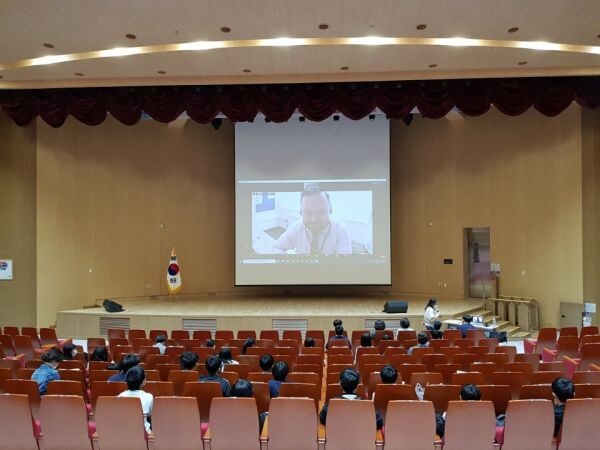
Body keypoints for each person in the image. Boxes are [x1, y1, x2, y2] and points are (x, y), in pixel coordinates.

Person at [273, 191, 352, 255]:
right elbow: (276, 248)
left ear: (330, 210)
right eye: (307, 212)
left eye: (321, 212)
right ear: (301, 212)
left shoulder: (341, 230)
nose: (314, 219)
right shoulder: (295, 228)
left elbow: (345, 265)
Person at [118, 366, 153, 433]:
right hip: (144, 433)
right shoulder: (148, 397)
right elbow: (150, 415)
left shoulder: (120, 396)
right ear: (144, 381)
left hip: (124, 431)